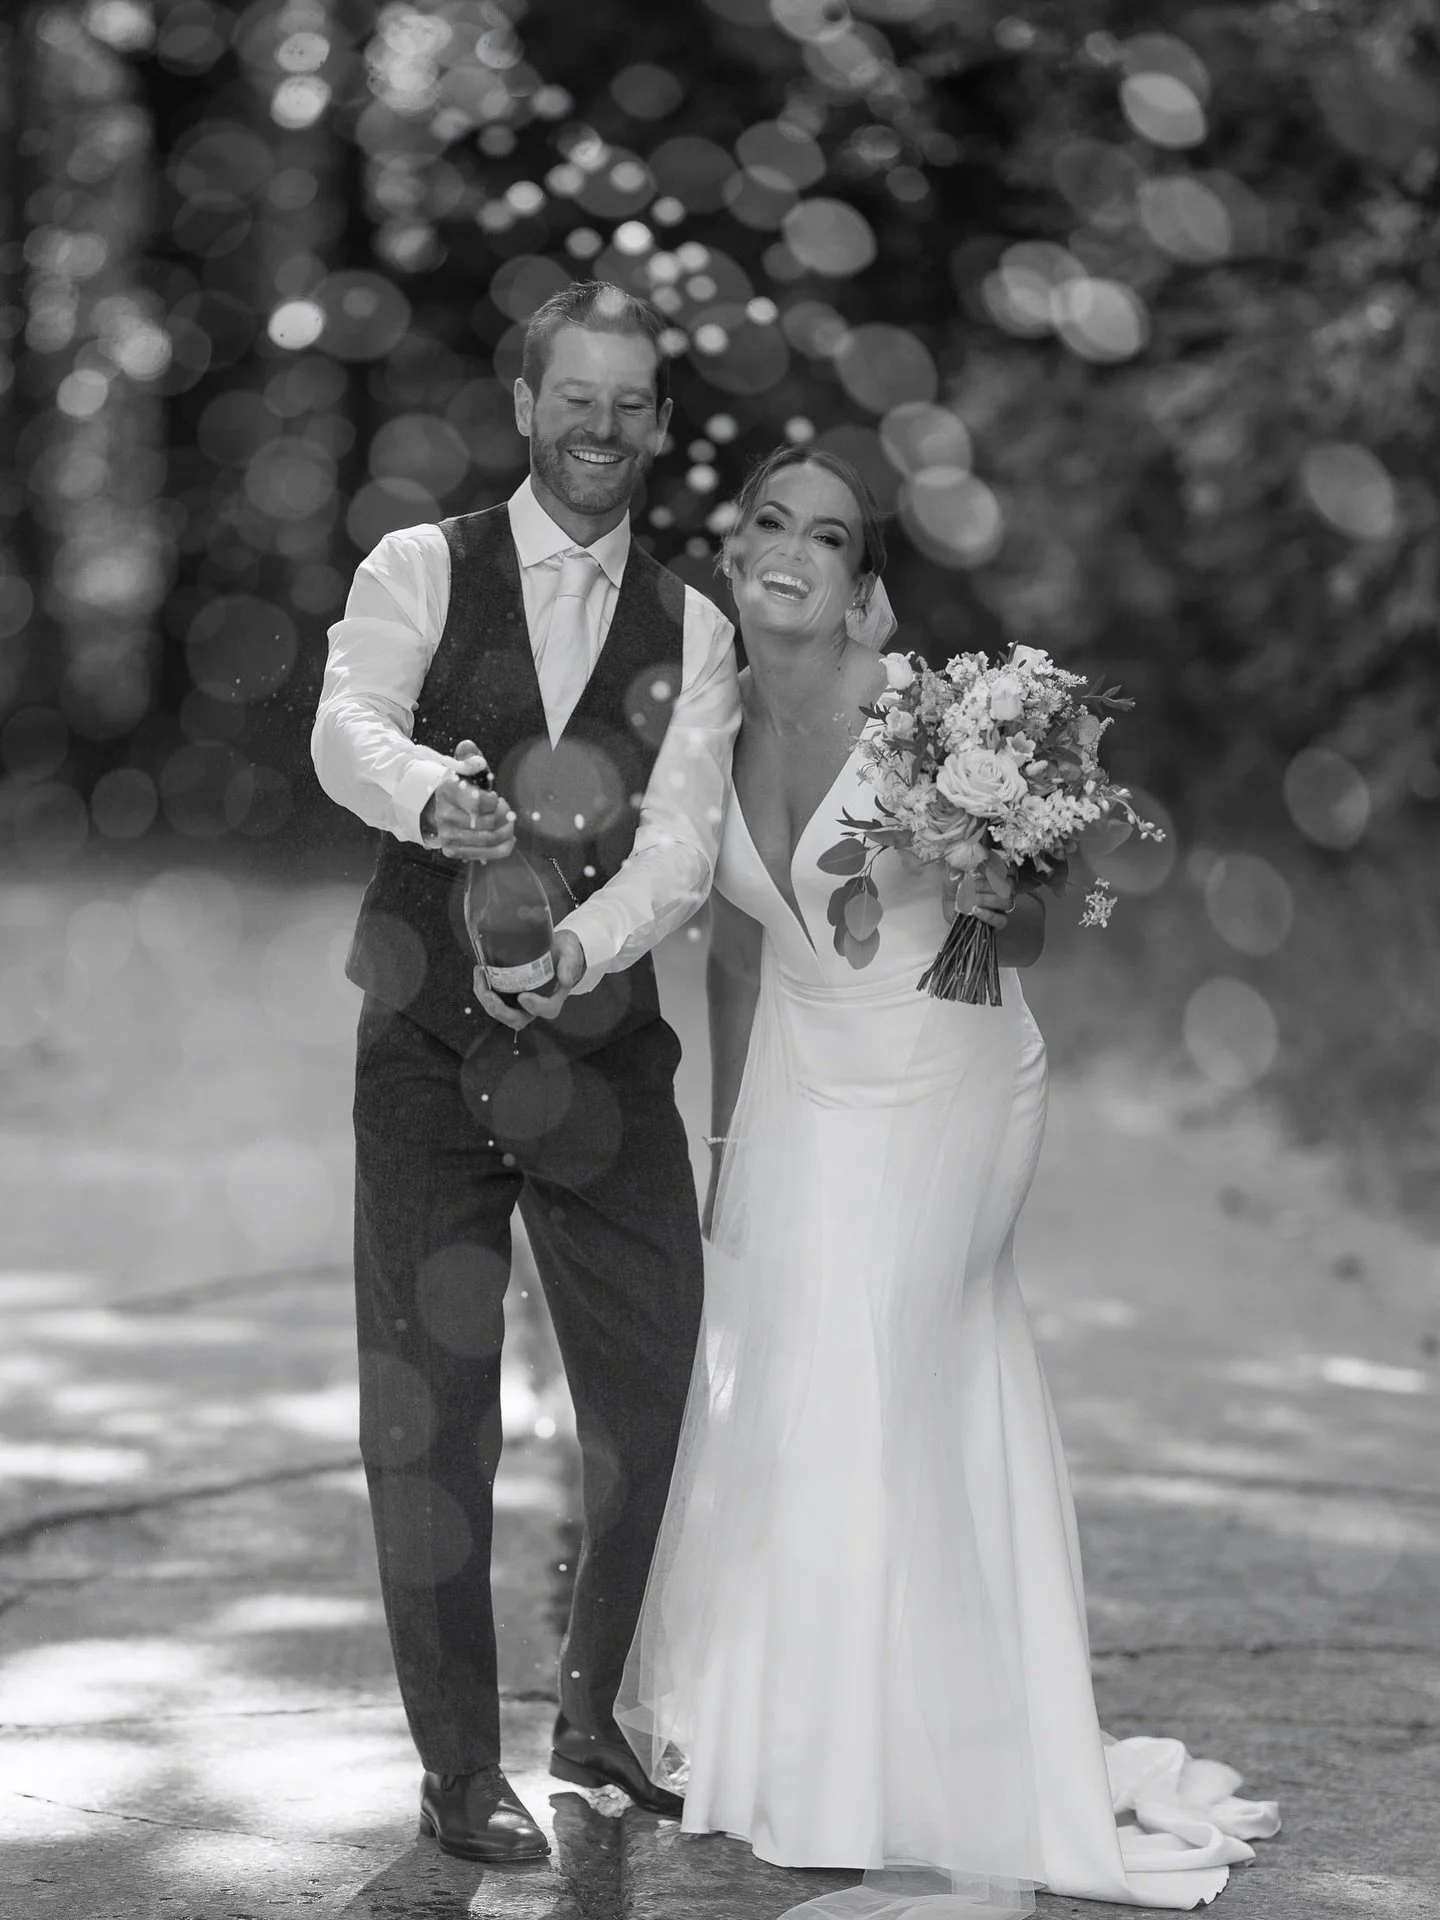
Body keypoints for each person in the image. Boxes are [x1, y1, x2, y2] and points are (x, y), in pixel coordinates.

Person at [615, 446, 1279, 1916]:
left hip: (950, 1070)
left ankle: (924, 1771)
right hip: (804, 1081)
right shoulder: (712, 718)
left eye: (826, 535)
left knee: (887, 1376)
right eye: (769, 522)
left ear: (864, 586)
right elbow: (737, 948)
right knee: (797, 1384)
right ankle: (821, 1751)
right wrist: (725, 1142)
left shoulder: (931, 717)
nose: (789, 550)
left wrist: (991, 887)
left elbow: (1026, 936)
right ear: (733, 554)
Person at [312, 283, 740, 1863]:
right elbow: (345, 726)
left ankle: (593, 1716)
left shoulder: (696, 629)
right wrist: (432, 795)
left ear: (662, 426)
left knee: (649, 1382)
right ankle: (456, 1768)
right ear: (524, 405)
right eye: (577, 396)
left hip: (603, 1055)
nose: (600, 428)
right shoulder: (419, 567)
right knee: (431, 1420)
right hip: (425, 1053)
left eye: (630, 403)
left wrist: (582, 948)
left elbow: (683, 840)